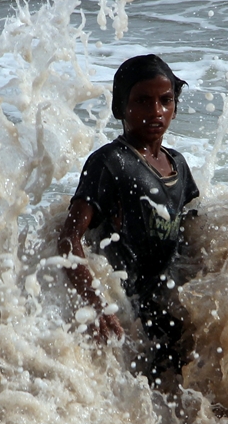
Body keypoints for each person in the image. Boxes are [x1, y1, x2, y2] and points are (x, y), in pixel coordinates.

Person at [58, 54, 199, 388]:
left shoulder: (178, 165)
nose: (156, 111)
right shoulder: (109, 162)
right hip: (126, 317)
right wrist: (97, 305)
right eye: (142, 101)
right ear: (119, 108)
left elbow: (192, 239)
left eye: (166, 101)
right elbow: (68, 239)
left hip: (165, 312)